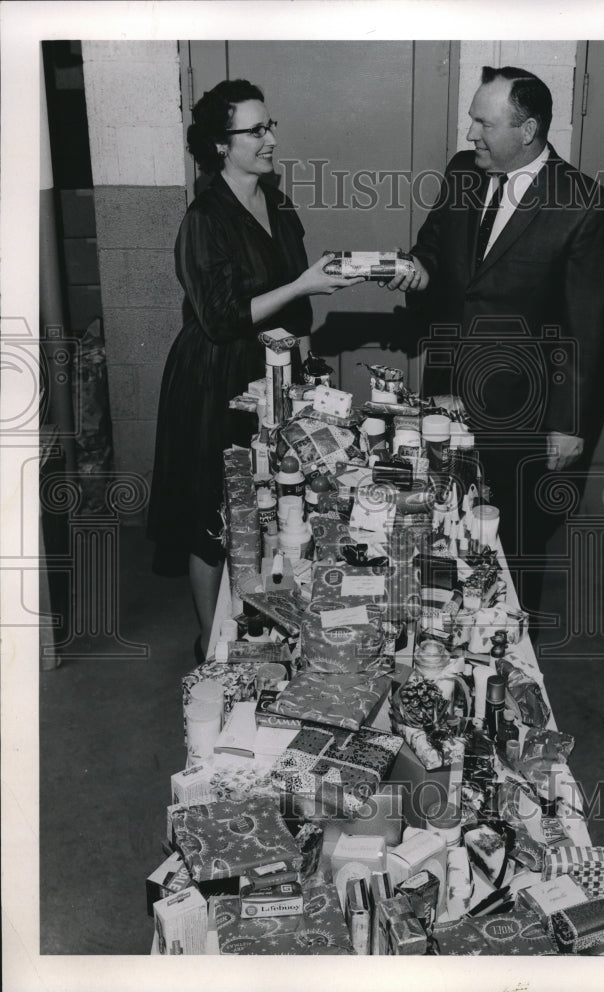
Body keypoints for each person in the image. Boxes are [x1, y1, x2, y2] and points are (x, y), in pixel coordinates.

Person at [385, 66, 604, 634]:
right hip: (447, 394)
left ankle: (512, 656)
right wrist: (412, 270)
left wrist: (569, 425)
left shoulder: (585, 205)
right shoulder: (464, 173)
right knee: (444, 522)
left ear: (529, 129)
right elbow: (436, 251)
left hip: (525, 414)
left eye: (483, 123)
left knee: (515, 538)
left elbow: (587, 329)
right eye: (471, 119)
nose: (470, 135)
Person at [147, 79, 362, 661]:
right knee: (217, 510)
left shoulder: (277, 200)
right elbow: (220, 318)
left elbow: (298, 299)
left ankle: (265, 630)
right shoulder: (204, 217)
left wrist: (309, 363)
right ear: (222, 144)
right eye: (256, 130)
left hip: (278, 368)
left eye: (271, 126)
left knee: (280, 502)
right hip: (217, 376)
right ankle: (211, 645)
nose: (270, 139)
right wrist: (302, 283)